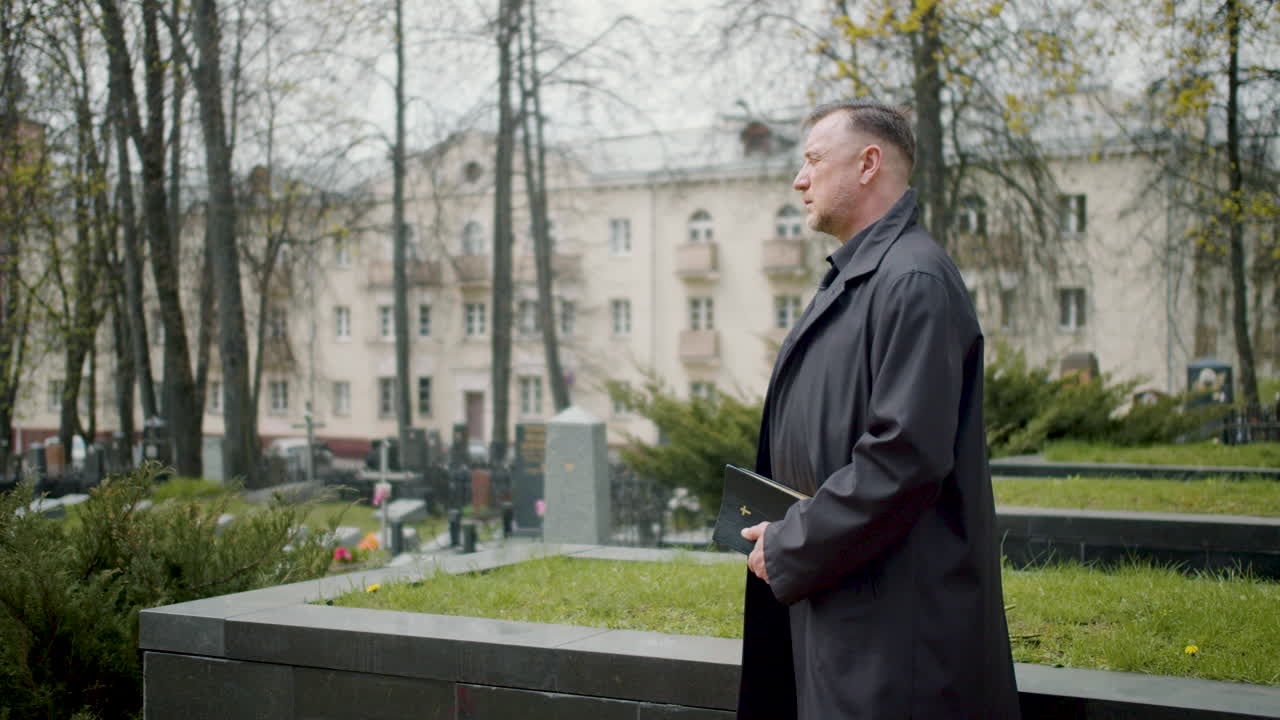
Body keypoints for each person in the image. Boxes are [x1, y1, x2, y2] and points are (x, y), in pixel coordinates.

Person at [736, 100, 1021, 719]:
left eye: (813, 160)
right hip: (851, 611)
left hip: (895, 642)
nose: (799, 179)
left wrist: (793, 543)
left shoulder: (911, 280)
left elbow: (904, 457)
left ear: (868, 164)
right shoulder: (861, 275)